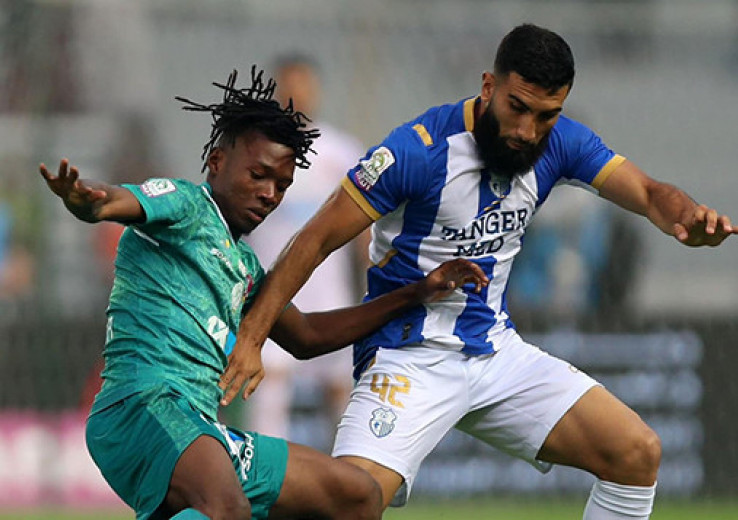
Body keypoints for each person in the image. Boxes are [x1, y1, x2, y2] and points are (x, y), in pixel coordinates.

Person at [220, 25, 737, 520]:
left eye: (546, 115)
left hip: (495, 352)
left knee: (636, 452)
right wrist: (253, 336)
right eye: (518, 108)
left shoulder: (560, 142)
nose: (527, 131)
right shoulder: (417, 151)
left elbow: (647, 192)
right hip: (407, 357)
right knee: (349, 501)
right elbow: (313, 239)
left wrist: (685, 216)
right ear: (489, 87)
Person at [39, 67, 487, 520]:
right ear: (217, 162)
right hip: (142, 405)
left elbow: (307, 335)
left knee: (357, 496)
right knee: (225, 507)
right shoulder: (185, 205)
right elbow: (116, 201)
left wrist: (415, 293)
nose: (270, 194)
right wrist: (87, 201)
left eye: (282, 185)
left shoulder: (246, 267)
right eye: (258, 175)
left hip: (198, 425)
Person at [245, 55, 366, 444]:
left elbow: (364, 228)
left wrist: (372, 278)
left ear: (316, 90)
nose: (296, 94)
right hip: (270, 287)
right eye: (288, 85)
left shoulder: (341, 151)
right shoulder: (255, 148)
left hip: (327, 291)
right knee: (268, 379)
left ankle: (346, 465)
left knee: (340, 387)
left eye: (303, 85)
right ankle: (263, 469)